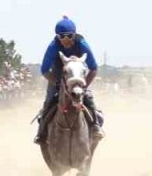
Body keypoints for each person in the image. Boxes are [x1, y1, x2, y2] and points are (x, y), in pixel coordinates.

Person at [35, 16, 103, 144]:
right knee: (49, 100)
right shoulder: (53, 47)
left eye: (70, 36)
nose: (66, 40)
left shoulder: (82, 44)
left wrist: (84, 86)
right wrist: (56, 83)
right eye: (62, 37)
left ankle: (95, 126)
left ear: (74, 34)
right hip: (58, 75)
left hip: (79, 77)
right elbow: (44, 70)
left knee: (88, 98)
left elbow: (93, 69)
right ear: (57, 37)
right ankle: (41, 133)